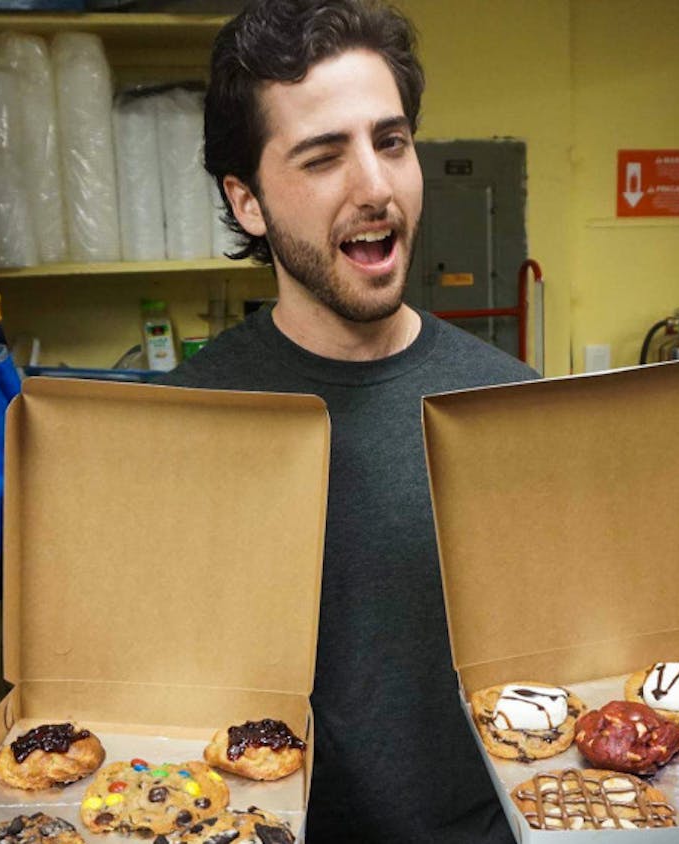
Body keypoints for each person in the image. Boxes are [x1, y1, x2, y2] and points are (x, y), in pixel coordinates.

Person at [159, 1, 533, 839]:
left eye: (391, 142)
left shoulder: (510, 409)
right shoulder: (183, 429)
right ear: (247, 201)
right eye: (324, 157)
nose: (375, 187)